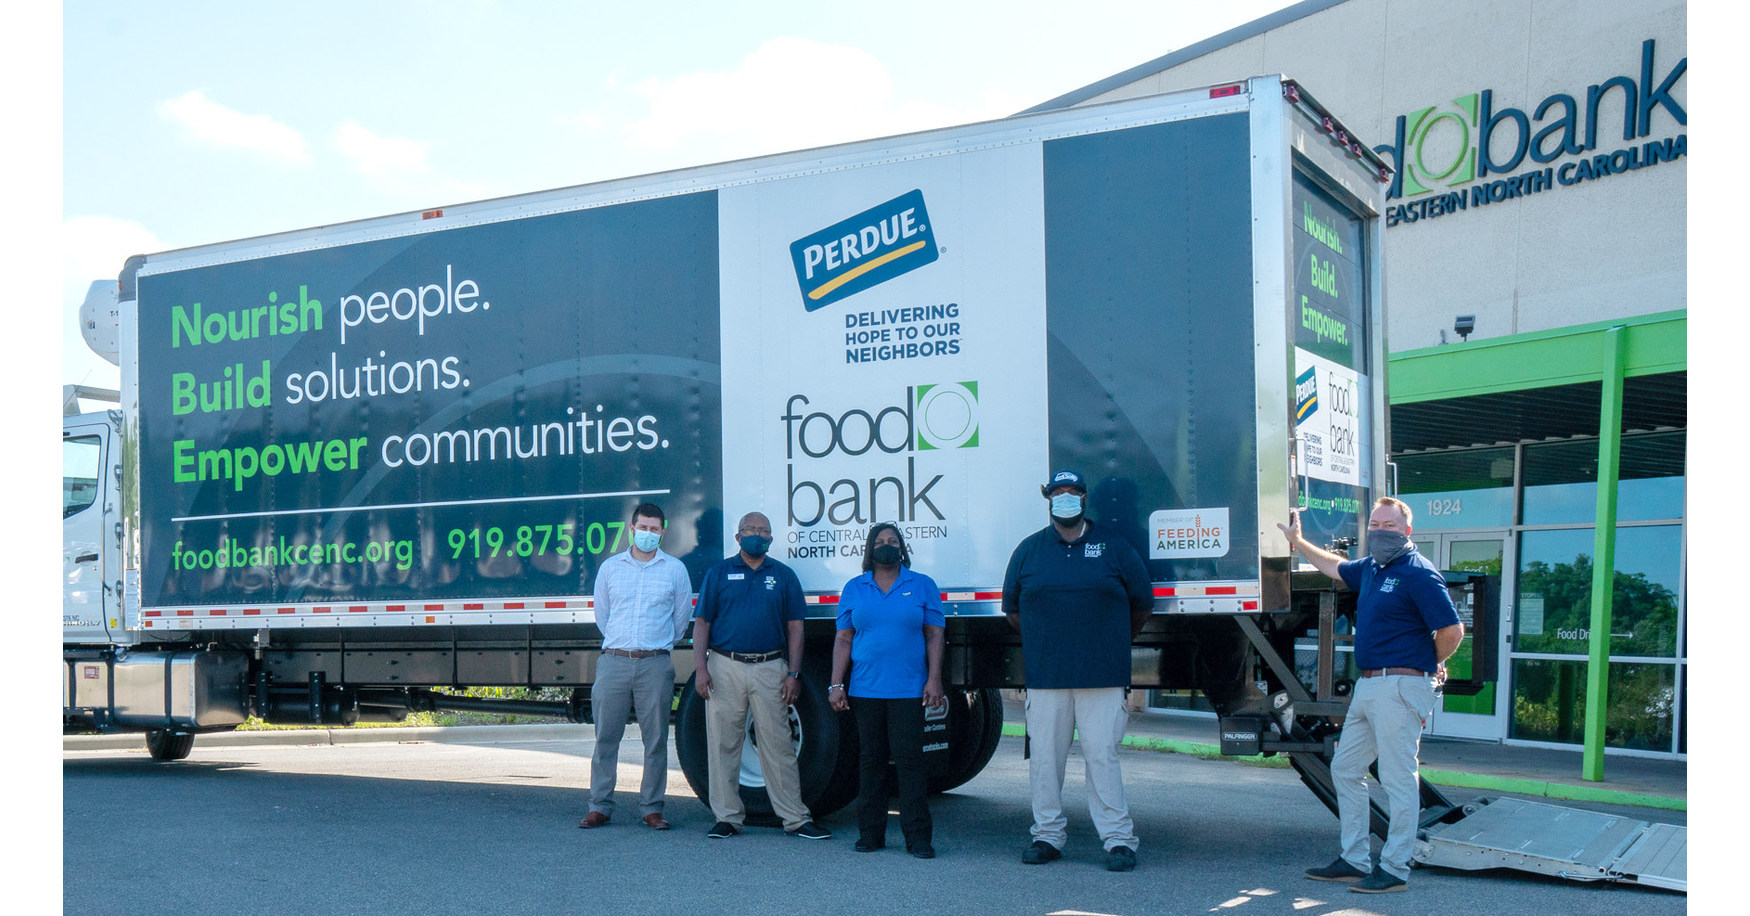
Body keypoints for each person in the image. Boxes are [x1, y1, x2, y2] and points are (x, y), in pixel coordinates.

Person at [1277, 496, 1463, 894]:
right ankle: (1354, 860)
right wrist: (1297, 541)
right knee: (1346, 769)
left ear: (1407, 531)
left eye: (1389, 526)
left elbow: (1453, 630)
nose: (1380, 532)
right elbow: (1333, 566)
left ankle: (1394, 869)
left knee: (1398, 780)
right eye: (1375, 525)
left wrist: (1425, 662)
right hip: (1369, 685)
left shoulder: (1418, 572)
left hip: (1400, 686)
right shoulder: (1372, 569)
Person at [1002, 469, 1152, 872]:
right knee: (1045, 760)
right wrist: (1049, 640)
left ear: (1084, 499)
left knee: (1102, 757)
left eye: (1072, 492)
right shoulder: (1029, 550)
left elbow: (1141, 604)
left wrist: (1109, 642)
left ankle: (1118, 841)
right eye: (1057, 493)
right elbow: (1012, 610)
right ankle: (1047, 836)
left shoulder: (1114, 546)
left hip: (1102, 675)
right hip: (1047, 677)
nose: (1064, 499)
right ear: (1048, 500)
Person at [691, 511, 832, 841]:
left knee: (779, 744)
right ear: (738, 536)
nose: (757, 534)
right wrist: (701, 669)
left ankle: (795, 818)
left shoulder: (783, 575)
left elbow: (796, 629)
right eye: (750, 529)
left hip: (771, 667)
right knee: (724, 744)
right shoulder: (718, 573)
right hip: (725, 665)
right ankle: (727, 818)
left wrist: (793, 673)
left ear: (771, 538)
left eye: (763, 530)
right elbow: (702, 624)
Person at [828, 523, 946, 859]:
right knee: (871, 762)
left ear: (902, 548)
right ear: (870, 549)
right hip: (865, 691)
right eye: (879, 541)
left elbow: (935, 635)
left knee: (910, 763)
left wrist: (934, 679)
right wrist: (836, 684)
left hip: (909, 690)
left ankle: (918, 838)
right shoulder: (855, 588)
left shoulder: (922, 585)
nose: (886, 545)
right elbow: (843, 638)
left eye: (893, 541)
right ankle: (870, 835)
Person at [579, 502, 693, 832]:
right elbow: (603, 616)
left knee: (655, 740)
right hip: (614, 661)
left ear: (663, 532)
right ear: (632, 529)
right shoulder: (610, 568)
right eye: (642, 528)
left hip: (655, 664)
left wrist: (656, 645)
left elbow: (680, 621)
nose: (648, 533)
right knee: (605, 737)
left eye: (654, 529)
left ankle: (652, 809)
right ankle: (599, 807)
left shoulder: (675, 571)